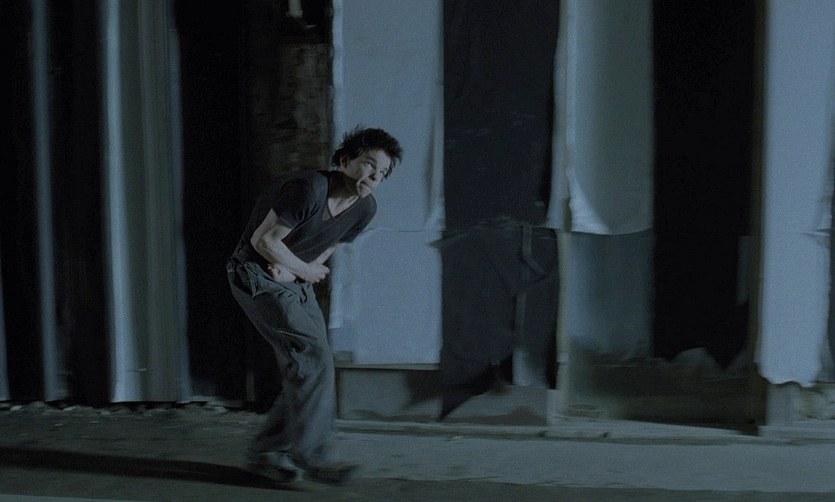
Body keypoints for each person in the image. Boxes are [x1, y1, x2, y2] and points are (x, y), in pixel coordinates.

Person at [226, 126, 403, 485]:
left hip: (292, 280)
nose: (374, 176)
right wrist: (300, 269)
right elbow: (264, 240)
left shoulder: (365, 208)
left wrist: (296, 270)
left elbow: (331, 243)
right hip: (255, 275)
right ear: (345, 161)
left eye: (383, 173)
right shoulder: (309, 189)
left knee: (309, 367)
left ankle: (265, 456)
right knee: (313, 358)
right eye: (369, 164)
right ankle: (314, 458)